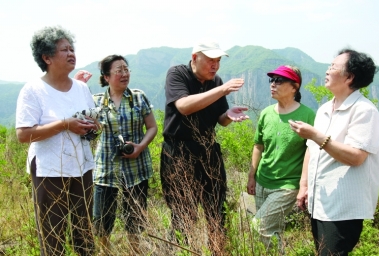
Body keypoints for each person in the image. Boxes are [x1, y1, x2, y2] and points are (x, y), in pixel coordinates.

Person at [289, 49, 379, 256]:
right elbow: (311, 150)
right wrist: (304, 185)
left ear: (349, 77)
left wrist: (315, 135)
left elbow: (356, 156)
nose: (327, 70)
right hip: (319, 201)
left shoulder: (364, 111)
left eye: (333, 67)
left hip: (343, 207)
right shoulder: (324, 110)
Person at [160, 40, 249, 255]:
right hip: (179, 151)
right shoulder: (178, 74)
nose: (215, 65)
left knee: (217, 211)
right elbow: (184, 106)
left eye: (218, 61)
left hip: (209, 151)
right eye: (210, 60)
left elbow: (220, 119)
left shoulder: (215, 82)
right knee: (183, 212)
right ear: (194, 58)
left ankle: (218, 251)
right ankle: (182, 251)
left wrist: (228, 115)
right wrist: (223, 89)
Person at [15, 26, 96, 255]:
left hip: (82, 167)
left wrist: (92, 125)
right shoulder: (33, 90)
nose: (71, 53)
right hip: (50, 170)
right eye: (64, 50)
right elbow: (23, 134)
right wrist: (65, 124)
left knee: (84, 232)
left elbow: (91, 118)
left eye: (72, 49)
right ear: (47, 57)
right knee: (53, 236)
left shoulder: (81, 88)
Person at [90, 55, 157, 254]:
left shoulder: (138, 97)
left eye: (126, 69)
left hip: (136, 168)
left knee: (134, 221)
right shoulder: (96, 101)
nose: (124, 74)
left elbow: (152, 127)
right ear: (106, 76)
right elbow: (89, 133)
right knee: (101, 222)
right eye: (118, 70)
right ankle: (105, 252)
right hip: (106, 170)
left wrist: (140, 146)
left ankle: (134, 251)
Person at [246, 65, 315, 252]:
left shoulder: (307, 115)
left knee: (259, 226)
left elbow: (312, 150)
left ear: (294, 87)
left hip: (287, 185)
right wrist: (252, 176)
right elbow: (258, 145)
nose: (273, 84)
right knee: (270, 230)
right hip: (262, 181)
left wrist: (304, 186)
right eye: (272, 80)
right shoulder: (267, 113)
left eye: (279, 80)